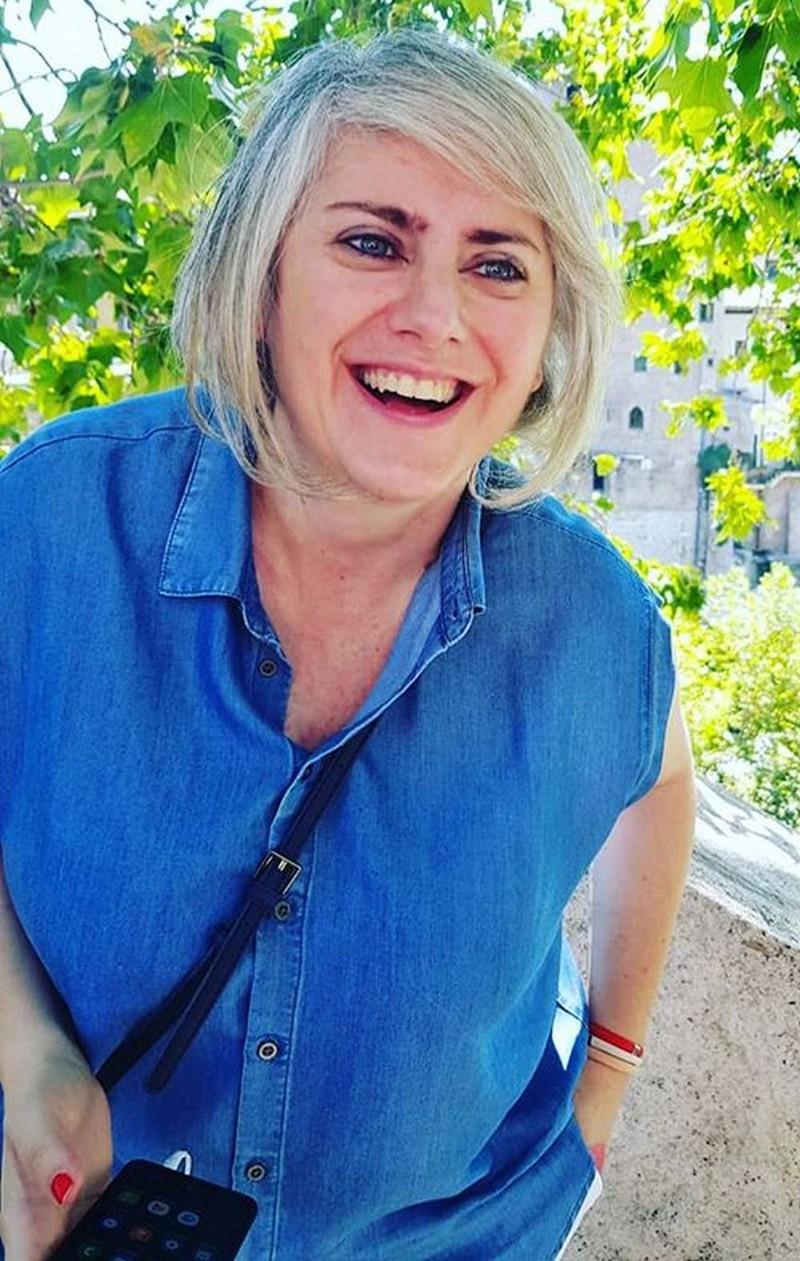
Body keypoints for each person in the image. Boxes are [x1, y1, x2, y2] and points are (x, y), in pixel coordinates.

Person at [0, 25, 697, 1261]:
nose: (433, 316)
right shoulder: (50, 522)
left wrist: (604, 1077)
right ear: (260, 272)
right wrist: (30, 1054)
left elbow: (660, 774)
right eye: (372, 242)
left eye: (497, 265)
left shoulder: (596, 622)